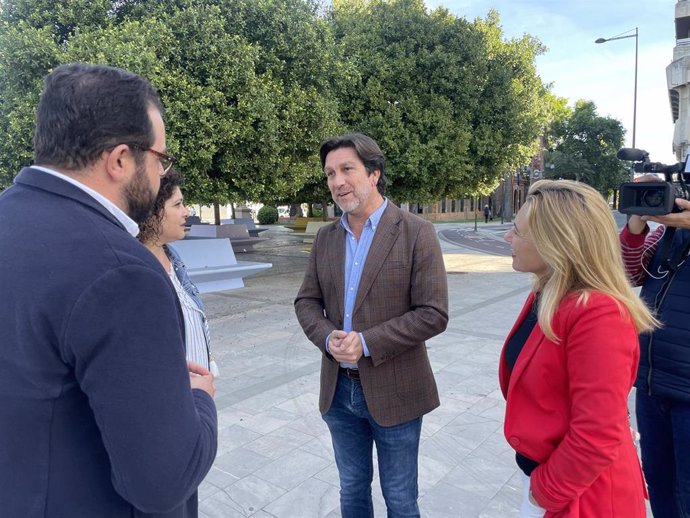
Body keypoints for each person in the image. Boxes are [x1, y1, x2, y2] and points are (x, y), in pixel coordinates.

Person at [0, 63, 218, 518]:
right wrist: (199, 397)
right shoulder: (123, 272)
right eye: (161, 159)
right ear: (120, 160)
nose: (161, 176)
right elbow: (163, 482)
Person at [294, 132, 449, 518]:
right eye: (330, 173)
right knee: (352, 492)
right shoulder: (327, 238)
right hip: (339, 394)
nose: (337, 181)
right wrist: (327, 336)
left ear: (374, 173)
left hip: (396, 390)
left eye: (347, 169)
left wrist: (366, 342)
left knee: (399, 498)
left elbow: (433, 312)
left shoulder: (416, 232)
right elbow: (306, 301)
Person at [500, 180, 656, 517]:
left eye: (517, 231)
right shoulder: (546, 294)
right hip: (552, 479)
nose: (507, 238)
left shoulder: (597, 312)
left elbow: (596, 435)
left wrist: (544, 491)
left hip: (584, 496)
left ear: (556, 242)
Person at [620, 183, 690, 517]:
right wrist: (637, 222)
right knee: (660, 486)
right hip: (652, 382)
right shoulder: (668, 234)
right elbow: (628, 272)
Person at [138, 168, 219, 375]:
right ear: (152, 213)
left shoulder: (174, 260)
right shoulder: (136, 273)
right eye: (177, 204)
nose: (187, 211)